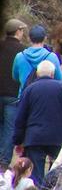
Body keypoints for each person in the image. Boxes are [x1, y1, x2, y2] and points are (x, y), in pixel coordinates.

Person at [12, 60, 62, 187]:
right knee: (56, 174)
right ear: (52, 74)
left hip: (34, 138)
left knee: (36, 176)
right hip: (57, 136)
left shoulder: (29, 90)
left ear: (37, 74)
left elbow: (20, 117)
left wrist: (18, 140)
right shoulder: (61, 88)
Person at [0, 20, 26, 169]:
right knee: (9, 129)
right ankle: (3, 163)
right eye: (22, 31)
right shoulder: (22, 51)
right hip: (12, 95)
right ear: (18, 31)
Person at [11, 26, 62, 99]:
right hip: (45, 100)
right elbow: (59, 78)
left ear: (29, 39)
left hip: (24, 99)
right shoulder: (52, 57)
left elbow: (15, 77)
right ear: (45, 38)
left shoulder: (19, 57)